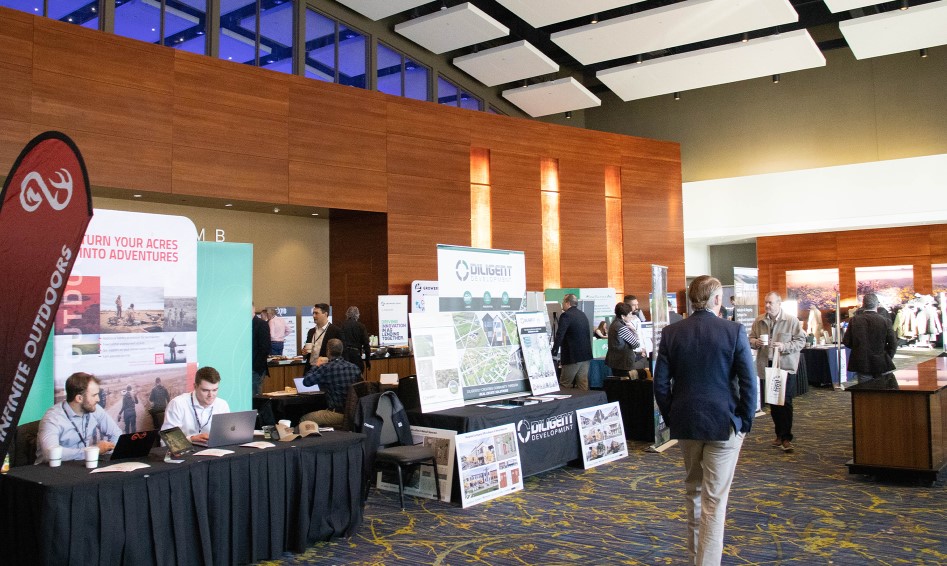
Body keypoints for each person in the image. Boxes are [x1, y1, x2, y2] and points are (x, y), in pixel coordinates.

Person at [653, 275, 757, 566]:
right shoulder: (733, 331)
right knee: (714, 502)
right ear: (717, 300)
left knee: (694, 494)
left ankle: (696, 559)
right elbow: (749, 383)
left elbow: (660, 385)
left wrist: (672, 415)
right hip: (724, 425)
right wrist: (745, 423)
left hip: (686, 424)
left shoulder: (672, 333)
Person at [749, 292, 806, 452]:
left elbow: (801, 341)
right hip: (767, 365)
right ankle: (779, 434)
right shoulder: (759, 320)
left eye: (771, 303)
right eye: (766, 302)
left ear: (779, 304)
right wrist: (756, 342)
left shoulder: (791, 320)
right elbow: (750, 338)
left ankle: (787, 436)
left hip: (785, 365)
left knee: (785, 401)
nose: (767, 306)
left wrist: (784, 347)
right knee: (773, 402)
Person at [36, 372, 122, 464]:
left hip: (82, 466)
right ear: (79, 398)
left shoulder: (95, 409)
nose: (98, 399)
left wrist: (110, 453)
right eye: (94, 395)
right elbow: (50, 454)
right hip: (50, 471)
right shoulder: (52, 418)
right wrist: (93, 451)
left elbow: (116, 433)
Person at [299, 339, 362, 427]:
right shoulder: (354, 368)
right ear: (341, 350)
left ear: (328, 351)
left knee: (304, 420)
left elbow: (306, 382)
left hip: (336, 414)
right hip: (354, 412)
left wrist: (316, 365)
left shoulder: (326, 368)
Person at [162, 366, 230, 444]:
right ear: (195, 386)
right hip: (185, 452)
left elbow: (225, 435)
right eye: (205, 390)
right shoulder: (178, 404)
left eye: (214, 390)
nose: (211, 395)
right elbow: (167, 441)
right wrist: (192, 439)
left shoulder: (222, 405)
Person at [842, 293, 897, 383]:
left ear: (863, 305)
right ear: (877, 305)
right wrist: (887, 356)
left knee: (865, 392)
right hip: (881, 361)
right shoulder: (885, 321)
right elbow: (893, 343)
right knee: (882, 390)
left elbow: (847, 341)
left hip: (862, 361)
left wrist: (859, 349)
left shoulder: (854, 320)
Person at [551, 293, 593, 390]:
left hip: (572, 356)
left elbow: (560, 334)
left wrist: (554, 351)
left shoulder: (566, 315)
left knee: (564, 384)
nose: (562, 304)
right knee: (583, 385)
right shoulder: (582, 314)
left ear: (567, 303)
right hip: (585, 355)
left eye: (563, 302)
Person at [605, 302, 642, 377]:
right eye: (630, 314)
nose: (631, 316)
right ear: (622, 316)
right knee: (625, 385)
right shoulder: (621, 327)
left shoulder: (614, 324)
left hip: (617, 361)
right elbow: (636, 344)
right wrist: (634, 331)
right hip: (623, 362)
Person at [303, 303, 343, 372]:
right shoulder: (311, 331)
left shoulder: (335, 331)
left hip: (326, 370)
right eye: (313, 313)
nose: (314, 316)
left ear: (325, 314)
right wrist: (304, 352)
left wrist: (327, 359)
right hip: (310, 369)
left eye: (316, 313)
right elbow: (307, 349)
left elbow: (341, 354)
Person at [340, 306, 372, 375]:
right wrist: (368, 360)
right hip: (356, 355)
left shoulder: (342, 325)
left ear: (347, 314)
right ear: (357, 315)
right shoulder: (361, 326)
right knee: (358, 378)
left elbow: (340, 341)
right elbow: (366, 344)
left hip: (345, 356)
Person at [251, 305, 271, 395]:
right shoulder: (241, 325)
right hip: (244, 369)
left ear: (253, 309)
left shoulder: (261, 324)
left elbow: (265, 347)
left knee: (255, 398)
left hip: (255, 369)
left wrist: (255, 367)